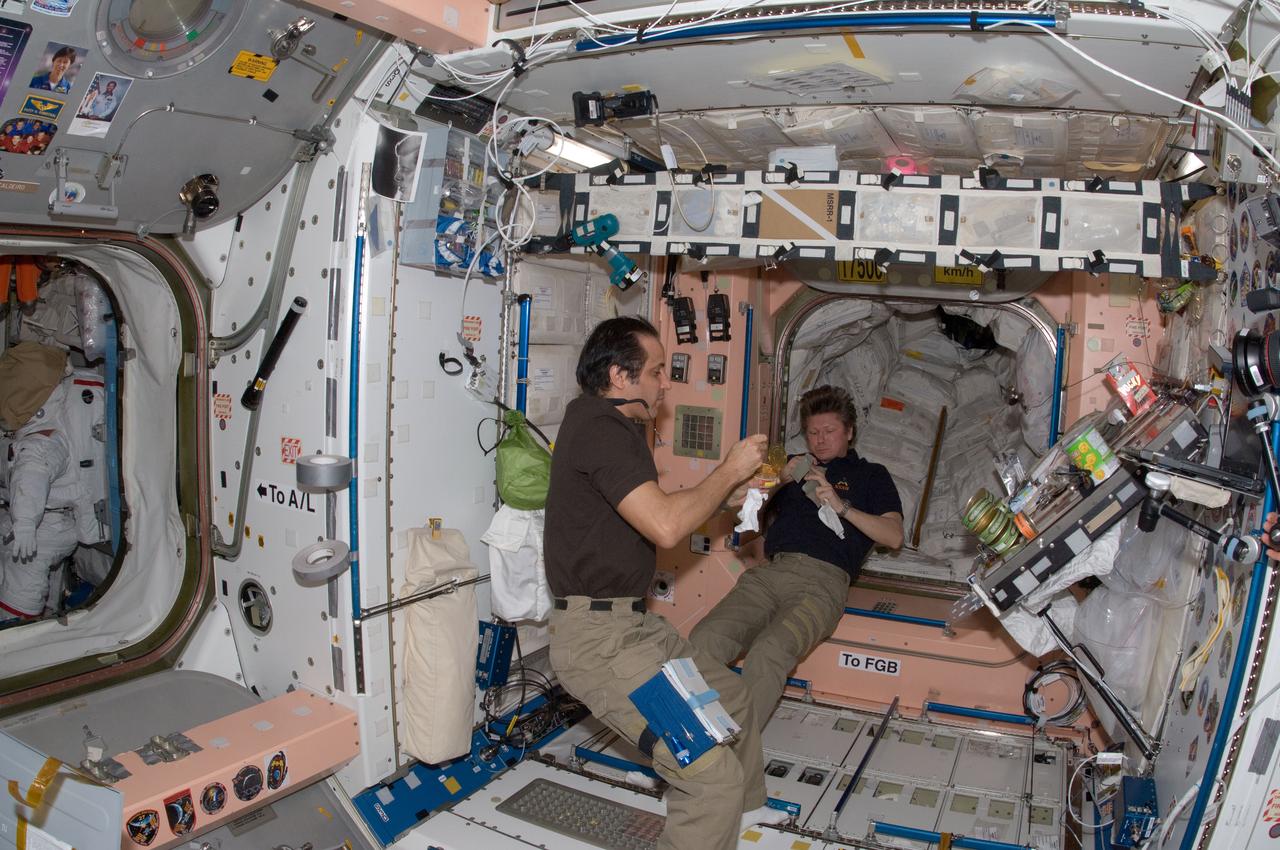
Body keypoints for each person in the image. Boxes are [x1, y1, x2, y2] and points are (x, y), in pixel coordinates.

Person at [545, 316, 783, 850]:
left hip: (635, 628)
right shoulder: (599, 429)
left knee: (735, 699)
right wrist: (729, 468)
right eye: (656, 371)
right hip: (601, 645)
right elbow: (667, 525)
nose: (665, 383)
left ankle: (744, 818)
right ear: (619, 376)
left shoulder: (612, 429)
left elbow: (656, 511)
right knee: (709, 776)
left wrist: (727, 495)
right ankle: (721, 807)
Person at [690, 384, 904, 729]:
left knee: (768, 653)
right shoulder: (787, 464)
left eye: (829, 431)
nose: (820, 440)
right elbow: (739, 512)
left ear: (849, 432)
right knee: (705, 639)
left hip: (822, 584)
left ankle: (734, 749)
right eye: (812, 432)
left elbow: (894, 536)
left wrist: (841, 506)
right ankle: (696, 730)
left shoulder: (871, 475)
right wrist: (777, 479)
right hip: (771, 573)